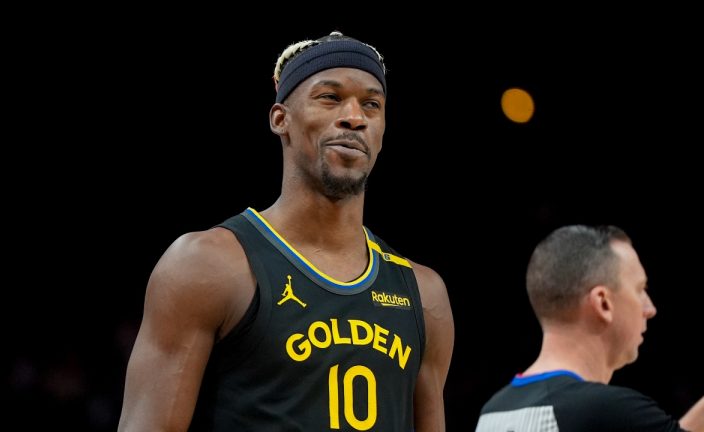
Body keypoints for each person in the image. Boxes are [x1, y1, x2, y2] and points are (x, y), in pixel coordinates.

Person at [118, 31, 455, 431]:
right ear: (281, 119)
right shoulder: (206, 265)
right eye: (330, 97)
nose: (355, 117)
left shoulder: (423, 292)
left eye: (372, 105)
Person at [474, 225, 704, 432]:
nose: (650, 308)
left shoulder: (492, 412)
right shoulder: (608, 410)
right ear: (603, 303)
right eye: (639, 289)